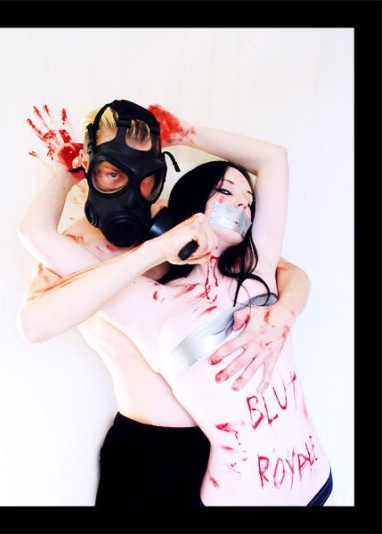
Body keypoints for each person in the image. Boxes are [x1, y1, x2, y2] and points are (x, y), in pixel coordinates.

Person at [18, 101, 312, 507]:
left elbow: (285, 272)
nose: (131, 186)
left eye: (145, 175)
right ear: (89, 165)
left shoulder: (181, 219)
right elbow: (34, 326)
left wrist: (283, 314)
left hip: (225, 449)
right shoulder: (69, 248)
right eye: (113, 171)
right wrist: (62, 176)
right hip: (150, 453)